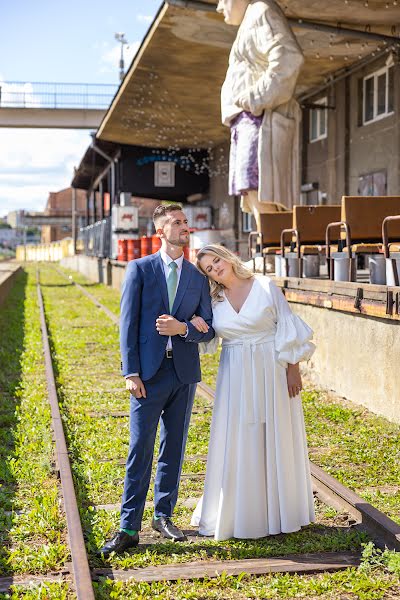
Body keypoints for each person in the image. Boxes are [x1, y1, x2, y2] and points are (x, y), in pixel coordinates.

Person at [100, 204, 215, 556]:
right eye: (176, 223)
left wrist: (184, 330)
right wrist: (130, 372)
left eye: (185, 222)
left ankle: (163, 516)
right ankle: (128, 526)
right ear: (161, 232)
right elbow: (128, 324)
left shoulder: (197, 277)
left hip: (183, 375)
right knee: (140, 449)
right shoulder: (140, 269)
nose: (184, 227)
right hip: (147, 376)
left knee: (174, 447)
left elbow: (208, 329)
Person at [190, 244, 315, 540]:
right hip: (234, 373)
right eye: (209, 268)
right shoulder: (213, 300)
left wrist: (293, 367)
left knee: (275, 433)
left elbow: (286, 323)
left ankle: (280, 510)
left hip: (271, 368)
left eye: (216, 261)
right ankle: (241, 511)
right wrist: (194, 324)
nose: (216, 268)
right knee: (238, 436)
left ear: (227, 256)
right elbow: (207, 335)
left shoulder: (264, 285)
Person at [217, 0, 304, 229]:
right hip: (249, 118)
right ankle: (268, 249)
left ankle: (272, 251)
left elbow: (289, 57)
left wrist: (256, 97)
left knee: (261, 187)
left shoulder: (261, 11)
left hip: (258, 118)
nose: (219, 7)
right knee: (252, 188)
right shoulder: (253, 17)